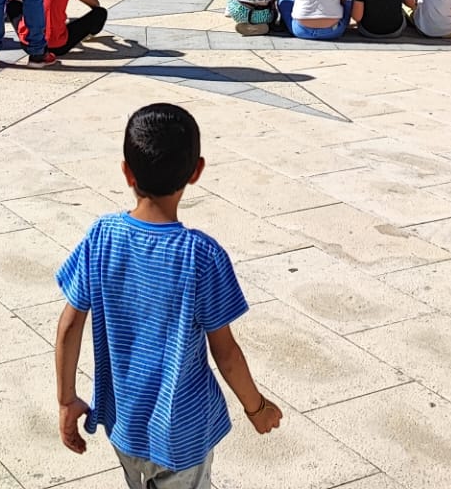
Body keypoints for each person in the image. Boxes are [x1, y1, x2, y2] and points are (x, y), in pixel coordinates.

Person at [54, 103, 282, 482]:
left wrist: (66, 399)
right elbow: (225, 353)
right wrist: (256, 408)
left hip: (123, 424)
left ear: (126, 171)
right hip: (183, 434)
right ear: (197, 172)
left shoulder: (101, 237)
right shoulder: (202, 256)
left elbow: (69, 324)